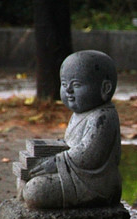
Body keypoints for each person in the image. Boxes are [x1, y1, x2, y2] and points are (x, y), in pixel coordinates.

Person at [22, 50, 122, 209]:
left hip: (93, 184)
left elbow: (89, 155)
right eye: (64, 84)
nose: (68, 90)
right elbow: (72, 145)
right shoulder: (80, 114)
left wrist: (55, 162)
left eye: (76, 85)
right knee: (26, 178)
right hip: (73, 172)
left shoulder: (103, 117)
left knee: (34, 190)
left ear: (105, 88)